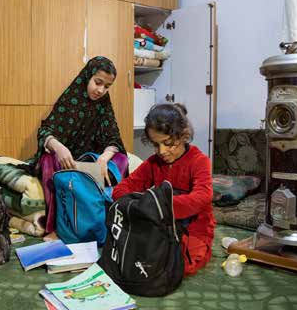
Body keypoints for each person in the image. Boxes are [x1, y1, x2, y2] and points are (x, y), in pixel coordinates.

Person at [111, 103, 215, 276]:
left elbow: (203, 197)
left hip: (195, 228)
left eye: (168, 143)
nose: (162, 151)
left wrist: (158, 206)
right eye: (155, 144)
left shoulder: (199, 161)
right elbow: (121, 189)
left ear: (183, 135)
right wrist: (143, 205)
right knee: (136, 258)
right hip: (161, 226)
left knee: (181, 265)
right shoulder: (153, 163)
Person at [31, 56, 128, 237]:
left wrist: (104, 158)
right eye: (97, 82)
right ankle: (55, 226)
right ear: (87, 77)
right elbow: (45, 131)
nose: (100, 90)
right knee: (47, 159)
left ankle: (108, 215)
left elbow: (113, 138)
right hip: (66, 162)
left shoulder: (103, 105)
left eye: (107, 87)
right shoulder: (71, 99)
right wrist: (59, 147)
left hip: (91, 162)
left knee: (122, 158)